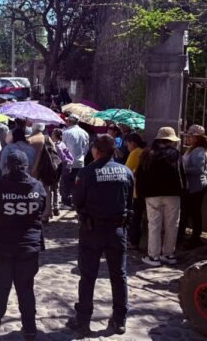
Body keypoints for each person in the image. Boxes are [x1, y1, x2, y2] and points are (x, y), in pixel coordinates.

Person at [67, 134, 133, 336]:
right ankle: (120, 320)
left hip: (92, 231)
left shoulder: (87, 173)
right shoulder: (126, 172)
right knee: (119, 276)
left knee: (88, 276)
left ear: (96, 150)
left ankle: (83, 319)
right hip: (117, 231)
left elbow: (77, 201)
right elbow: (130, 202)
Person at [0, 150, 47, 341]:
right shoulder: (37, 186)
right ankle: (30, 330)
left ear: (7, 166)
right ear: (26, 166)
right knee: (26, 289)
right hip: (29, 247)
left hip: (1, 247)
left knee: (0, 289)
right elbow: (41, 209)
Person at [135, 127, 186, 267]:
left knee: (154, 225)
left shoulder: (148, 153)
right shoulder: (175, 154)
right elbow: (181, 174)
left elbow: (140, 174)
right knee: (172, 224)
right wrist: (183, 191)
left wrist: (140, 193)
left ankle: (153, 256)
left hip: (152, 195)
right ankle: (168, 254)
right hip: (173, 195)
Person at [178, 125, 207, 248]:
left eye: (190, 137)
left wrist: (183, 169)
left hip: (197, 187)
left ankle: (195, 238)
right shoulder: (192, 149)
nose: (188, 139)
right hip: (192, 186)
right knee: (189, 212)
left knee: (194, 212)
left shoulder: (199, 151)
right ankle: (189, 237)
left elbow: (198, 169)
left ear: (197, 138)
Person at [60, 114, 90, 208]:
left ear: (69, 122)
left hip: (68, 162)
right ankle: (76, 202)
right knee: (77, 184)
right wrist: (82, 157)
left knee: (66, 183)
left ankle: (66, 202)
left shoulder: (66, 132)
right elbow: (86, 148)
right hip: (80, 162)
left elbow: (62, 148)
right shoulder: (84, 133)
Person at [123, 133, 146, 250]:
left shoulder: (135, 152)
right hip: (145, 189)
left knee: (135, 217)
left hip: (136, 190)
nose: (127, 146)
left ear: (132, 143)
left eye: (127, 143)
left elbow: (126, 171)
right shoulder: (144, 151)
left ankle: (133, 241)